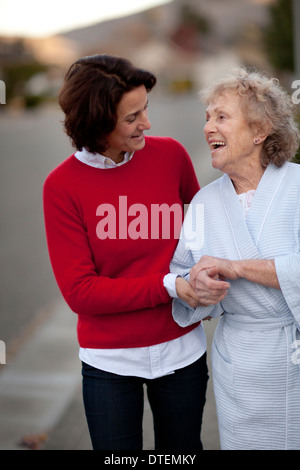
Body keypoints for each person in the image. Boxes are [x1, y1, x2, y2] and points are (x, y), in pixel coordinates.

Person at [43, 54, 208, 451]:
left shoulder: (171, 156)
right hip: (109, 363)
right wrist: (170, 284)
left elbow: (209, 229)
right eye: (132, 117)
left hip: (182, 351)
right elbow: (81, 292)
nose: (146, 124)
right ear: (97, 124)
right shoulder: (61, 187)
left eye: (145, 109)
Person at [170, 68, 300, 450]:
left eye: (222, 117)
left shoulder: (298, 187)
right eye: (207, 117)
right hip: (238, 362)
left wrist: (237, 267)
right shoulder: (204, 203)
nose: (209, 126)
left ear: (259, 131)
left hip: (290, 354)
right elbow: (183, 275)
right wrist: (197, 287)